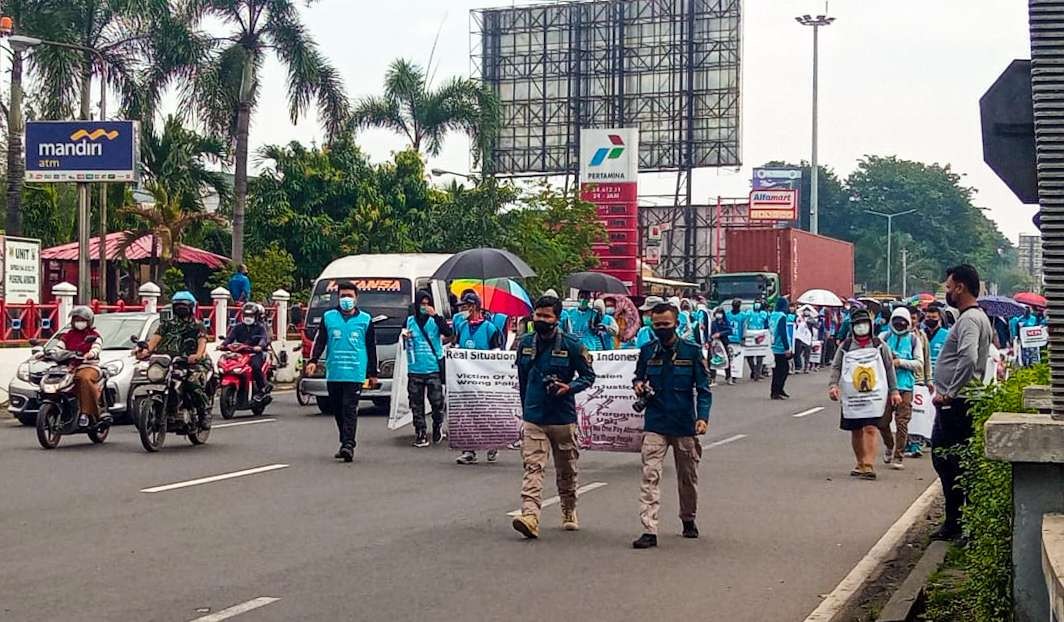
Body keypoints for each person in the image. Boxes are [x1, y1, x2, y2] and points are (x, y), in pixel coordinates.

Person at [511, 295, 596, 539]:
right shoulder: (525, 343)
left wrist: (569, 387)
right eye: (538, 315)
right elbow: (523, 380)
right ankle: (530, 516)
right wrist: (526, 410)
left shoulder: (572, 345)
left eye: (547, 316)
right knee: (533, 467)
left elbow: (588, 376)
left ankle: (569, 509)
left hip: (562, 418)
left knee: (566, 469)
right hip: (535, 417)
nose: (541, 320)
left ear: (557, 319)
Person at [632, 303, 712, 549]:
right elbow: (638, 376)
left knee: (687, 477)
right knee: (650, 475)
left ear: (676, 323)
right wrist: (638, 385)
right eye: (657, 325)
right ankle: (649, 529)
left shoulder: (691, 351)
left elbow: (704, 390)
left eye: (666, 324)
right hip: (656, 422)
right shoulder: (647, 351)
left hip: (684, 424)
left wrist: (703, 417)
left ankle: (688, 518)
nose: (661, 329)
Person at [931, 265, 992, 541]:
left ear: (961, 287)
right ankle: (957, 522)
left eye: (948, 286)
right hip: (959, 400)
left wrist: (950, 392)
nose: (947, 291)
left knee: (951, 462)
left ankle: (960, 523)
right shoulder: (974, 318)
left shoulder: (969, 320)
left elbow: (967, 358)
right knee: (950, 461)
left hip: (958, 402)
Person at [305, 281, 380, 463]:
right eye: (343, 296)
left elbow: (371, 347)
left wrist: (372, 373)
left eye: (350, 296)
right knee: (337, 408)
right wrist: (313, 360)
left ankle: (348, 445)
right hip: (335, 371)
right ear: (338, 298)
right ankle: (344, 440)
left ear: (356, 298)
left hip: (355, 372)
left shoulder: (365, 320)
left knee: (349, 408)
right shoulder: (329, 317)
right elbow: (321, 341)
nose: (346, 299)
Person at [828, 308, 901, 480]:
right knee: (856, 430)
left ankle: (869, 464)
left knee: (870, 428)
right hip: (853, 396)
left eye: (864, 324)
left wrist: (894, 391)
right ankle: (860, 462)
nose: (861, 328)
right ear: (852, 327)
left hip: (873, 396)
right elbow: (836, 366)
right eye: (857, 325)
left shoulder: (879, 345)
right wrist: (833, 385)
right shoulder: (845, 346)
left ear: (870, 325)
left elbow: (889, 368)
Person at [137, 291, 212, 427]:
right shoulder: (166, 325)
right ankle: (169, 411)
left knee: (192, 383)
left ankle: (204, 412)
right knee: (157, 377)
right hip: (170, 362)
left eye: (184, 305)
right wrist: (144, 351)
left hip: (192, 363)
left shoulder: (198, 325)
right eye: (177, 305)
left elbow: (202, 343)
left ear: (191, 307)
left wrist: (197, 355)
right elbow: (153, 341)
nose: (180, 308)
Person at [454, 291, 504, 464]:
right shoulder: (462, 327)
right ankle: (469, 450)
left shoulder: (490, 329)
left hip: (485, 379)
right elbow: (457, 347)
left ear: (475, 306)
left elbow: (497, 353)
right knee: (467, 414)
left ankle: (492, 445)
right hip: (466, 379)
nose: (463, 310)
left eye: (466, 307)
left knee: (486, 413)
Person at [876, 307, 923, 470]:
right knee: (882, 422)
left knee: (902, 422)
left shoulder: (913, 340)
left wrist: (900, 362)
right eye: (897, 323)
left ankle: (899, 455)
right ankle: (889, 445)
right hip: (885, 387)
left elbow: (919, 363)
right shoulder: (883, 337)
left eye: (903, 323)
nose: (900, 326)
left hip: (905, 386)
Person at [405, 290, 453, 448]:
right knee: (416, 403)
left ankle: (437, 425)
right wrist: (405, 337)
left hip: (433, 368)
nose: (424, 307)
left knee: (437, 402)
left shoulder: (435, 321)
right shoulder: (410, 321)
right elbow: (403, 339)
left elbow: (448, 332)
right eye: (422, 304)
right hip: (415, 368)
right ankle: (420, 432)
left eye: (427, 304)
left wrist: (436, 316)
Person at [57, 306, 106, 427]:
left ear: (89, 321)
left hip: (89, 366)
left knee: (83, 379)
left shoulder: (94, 335)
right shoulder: (68, 335)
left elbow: (96, 347)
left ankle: (86, 413)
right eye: (76, 319)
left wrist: (91, 354)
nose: (79, 322)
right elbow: (58, 347)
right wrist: (46, 353)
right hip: (69, 368)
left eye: (82, 320)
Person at [221, 302, 272, 401]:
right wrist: (223, 345)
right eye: (246, 315)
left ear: (256, 316)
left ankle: (262, 389)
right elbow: (229, 338)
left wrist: (259, 346)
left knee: (255, 366)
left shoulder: (260, 327)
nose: (248, 318)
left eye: (251, 315)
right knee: (227, 364)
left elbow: (264, 338)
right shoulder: (238, 327)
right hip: (240, 354)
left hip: (254, 353)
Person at [769, 297, 793, 400]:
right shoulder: (782, 317)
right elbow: (783, 332)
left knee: (776, 370)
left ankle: (777, 390)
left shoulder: (772, 315)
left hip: (772, 345)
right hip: (780, 346)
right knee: (783, 369)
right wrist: (787, 348)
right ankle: (777, 390)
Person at [745, 298, 770, 381]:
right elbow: (745, 323)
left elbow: (767, 326)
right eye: (756, 303)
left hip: (760, 336)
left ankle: (757, 374)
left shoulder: (764, 314)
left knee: (760, 356)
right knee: (749, 356)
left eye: (759, 303)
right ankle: (754, 371)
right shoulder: (748, 313)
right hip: (750, 336)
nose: (757, 304)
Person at [707, 308, 732, 386]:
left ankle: (728, 377)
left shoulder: (726, 322)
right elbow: (710, 332)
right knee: (713, 360)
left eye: (720, 313)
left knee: (726, 360)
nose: (719, 314)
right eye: (717, 313)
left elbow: (729, 331)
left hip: (723, 343)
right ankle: (713, 379)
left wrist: (720, 334)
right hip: (715, 344)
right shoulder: (713, 323)